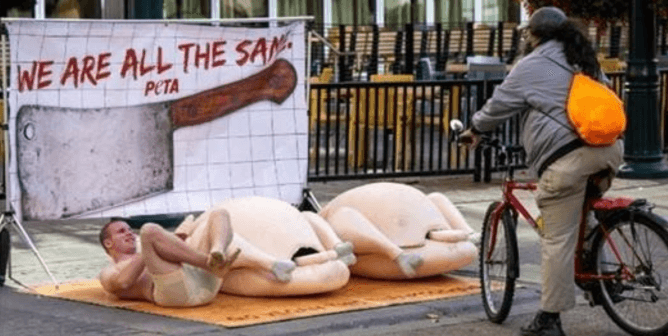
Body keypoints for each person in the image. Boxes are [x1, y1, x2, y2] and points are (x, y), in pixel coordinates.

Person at [459, 6, 624, 336]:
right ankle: (600, 276)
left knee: (556, 239)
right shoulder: (582, 57)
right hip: (609, 151)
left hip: (568, 160)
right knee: (581, 214)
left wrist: (474, 128)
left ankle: (549, 319)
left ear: (533, 35)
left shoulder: (531, 64)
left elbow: (499, 104)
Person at [98, 209, 238, 307]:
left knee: (220, 213)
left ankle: (217, 251)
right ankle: (209, 263)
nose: (129, 233)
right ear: (108, 243)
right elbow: (123, 282)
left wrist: (175, 242)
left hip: (201, 283)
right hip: (177, 294)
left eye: (130, 230)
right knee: (148, 230)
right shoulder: (108, 272)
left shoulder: (147, 251)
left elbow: (178, 257)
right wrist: (150, 247)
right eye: (122, 232)